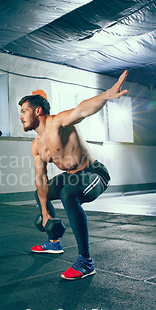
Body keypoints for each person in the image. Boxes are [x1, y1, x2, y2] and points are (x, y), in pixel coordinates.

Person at [19, 71, 128, 280]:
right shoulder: (36, 146)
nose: (21, 116)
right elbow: (41, 179)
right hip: (71, 176)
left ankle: (86, 261)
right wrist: (45, 213)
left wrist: (106, 95)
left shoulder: (57, 122)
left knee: (69, 193)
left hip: (94, 173)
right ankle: (54, 242)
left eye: (24, 111)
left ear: (38, 111)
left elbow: (82, 110)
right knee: (41, 192)